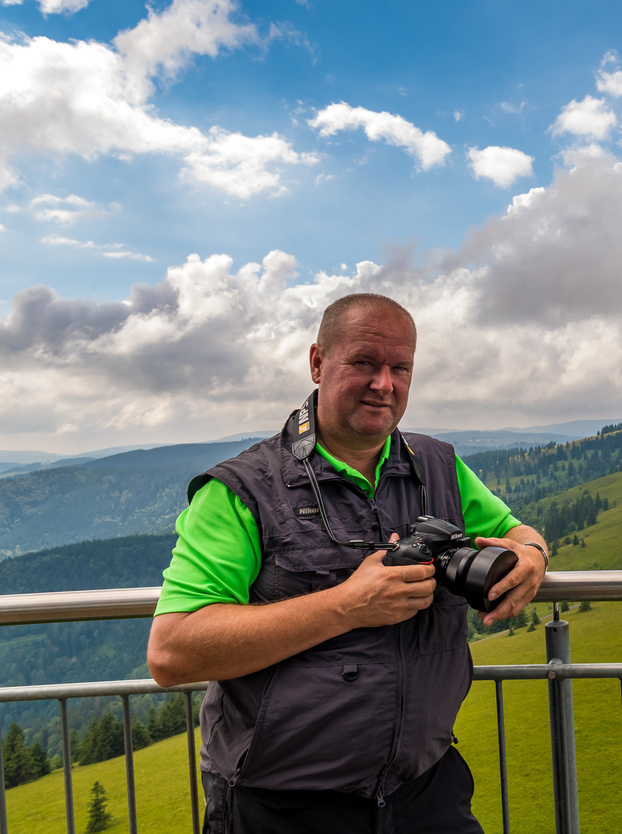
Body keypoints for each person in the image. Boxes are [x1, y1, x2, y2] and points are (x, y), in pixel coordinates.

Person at [147, 293, 548, 833]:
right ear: (318, 363)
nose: (384, 384)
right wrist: (345, 607)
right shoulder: (241, 489)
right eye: (364, 362)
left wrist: (533, 554)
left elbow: (514, 531)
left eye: (400, 368)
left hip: (425, 789)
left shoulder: (438, 465)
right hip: (282, 805)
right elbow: (172, 653)